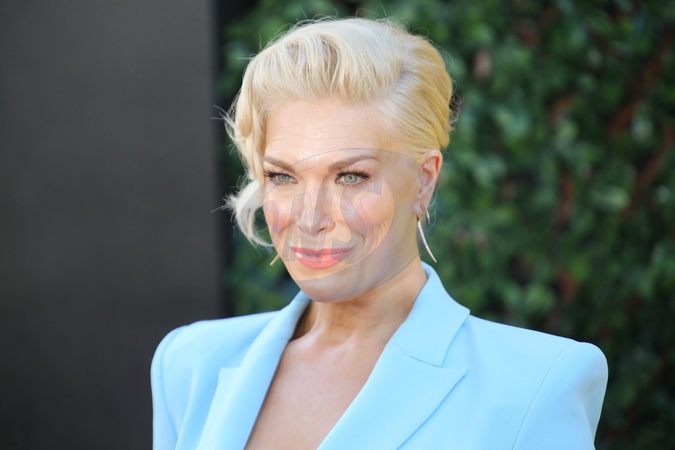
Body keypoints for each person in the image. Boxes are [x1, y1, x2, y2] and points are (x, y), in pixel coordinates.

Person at [151, 17, 608, 450]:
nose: (310, 219)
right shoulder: (190, 365)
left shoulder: (536, 385)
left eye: (351, 176)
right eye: (283, 176)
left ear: (424, 180)